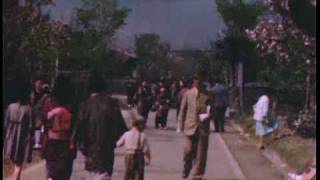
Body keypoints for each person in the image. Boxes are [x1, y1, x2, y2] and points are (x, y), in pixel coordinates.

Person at [77, 71, 128, 180]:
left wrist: (82, 145)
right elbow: (122, 129)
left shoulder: (85, 105)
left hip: (90, 149)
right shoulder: (112, 104)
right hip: (106, 150)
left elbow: (80, 128)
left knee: (91, 174)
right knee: (104, 175)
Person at [42, 75, 76, 180]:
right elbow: (75, 125)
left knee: (51, 172)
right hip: (66, 142)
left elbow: (43, 119)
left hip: (51, 140)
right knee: (65, 174)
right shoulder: (72, 103)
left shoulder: (49, 101)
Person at [178, 76, 212, 179]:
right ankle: (187, 166)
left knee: (200, 154)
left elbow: (212, 110)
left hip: (202, 128)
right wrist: (180, 125)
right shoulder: (188, 94)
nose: (198, 83)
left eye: (200, 81)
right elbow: (182, 110)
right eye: (196, 81)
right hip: (189, 127)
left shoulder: (207, 95)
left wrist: (208, 115)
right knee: (187, 150)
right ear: (193, 82)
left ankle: (197, 174)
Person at [4, 81, 33, 180]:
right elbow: (30, 126)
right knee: (18, 164)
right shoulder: (28, 109)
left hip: (10, 137)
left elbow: (6, 123)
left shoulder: (10, 106)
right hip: (22, 139)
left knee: (15, 163)